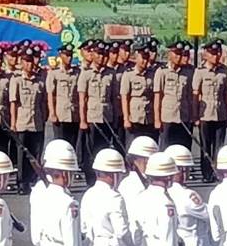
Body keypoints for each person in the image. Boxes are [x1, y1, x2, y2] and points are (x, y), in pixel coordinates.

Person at [9, 46, 47, 195]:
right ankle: (21, 182)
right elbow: (14, 103)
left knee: (36, 153)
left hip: (36, 122)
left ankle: (33, 179)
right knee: (22, 154)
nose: (29, 65)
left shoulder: (39, 81)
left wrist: (43, 118)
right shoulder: (17, 80)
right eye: (26, 61)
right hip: (22, 121)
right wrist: (13, 122)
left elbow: (43, 103)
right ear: (22, 62)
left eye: (31, 62)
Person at [78, 41, 118, 184]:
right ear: (93, 54)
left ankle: (103, 177)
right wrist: (83, 120)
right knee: (91, 151)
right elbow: (82, 99)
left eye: (103, 54)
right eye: (99, 54)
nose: (101, 57)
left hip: (107, 116)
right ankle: (91, 178)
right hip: (92, 117)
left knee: (104, 149)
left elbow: (114, 98)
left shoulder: (110, 74)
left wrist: (115, 118)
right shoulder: (86, 74)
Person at [193, 40, 227, 183]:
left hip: (220, 112)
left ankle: (217, 172)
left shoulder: (224, 71)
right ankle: (206, 173)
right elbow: (196, 94)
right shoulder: (200, 72)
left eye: (218, 53)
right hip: (205, 114)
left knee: (219, 147)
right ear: (206, 54)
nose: (216, 56)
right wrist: (195, 115)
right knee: (205, 146)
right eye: (213, 53)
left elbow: (226, 93)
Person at [154, 41, 196, 149]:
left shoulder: (188, 72)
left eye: (180, 54)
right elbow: (158, 97)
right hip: (167, 117)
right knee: (166, 147)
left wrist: (192, 115)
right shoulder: (162, 72)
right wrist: (157, 119)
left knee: (183, 147)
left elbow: (190, 96)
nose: (179, 57)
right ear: (169, 54)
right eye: (176, 54)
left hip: (184, 116)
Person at [121, 42, 158, 143]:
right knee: (133, 147)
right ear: (136, 57)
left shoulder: (152, 74)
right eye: (143, 58)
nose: (145, 61)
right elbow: (125, 97)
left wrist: (156, 118)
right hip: (134, 117)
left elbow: (155, 97)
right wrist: (126, 119)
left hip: (149, 117)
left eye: (146, 58)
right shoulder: (128, 74)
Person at [46, 43, 81, 147]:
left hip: (74, 114)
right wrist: (52, 113)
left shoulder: (77, 73)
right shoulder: (54, 73)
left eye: (70, 55)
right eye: (66, 55)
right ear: (60, 56)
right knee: (60, 144)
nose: (69, 58)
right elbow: (51, 95)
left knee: (73, 145)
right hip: (60, 114)